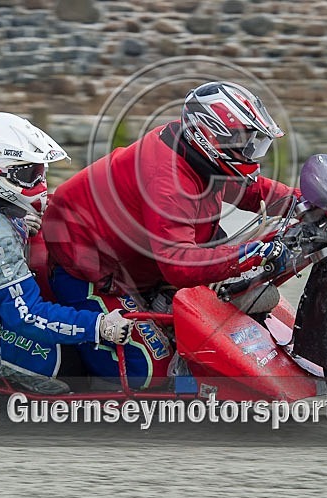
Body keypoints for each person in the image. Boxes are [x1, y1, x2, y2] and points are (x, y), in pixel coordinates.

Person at [41, 81, 300, 384]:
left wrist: (305, 201)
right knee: (150, 373)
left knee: (241, 297)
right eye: (244, 141)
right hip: (88, 270)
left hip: (140, 259)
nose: (251, 151)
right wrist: (250, 254)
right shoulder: (167, 180)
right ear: (210, 136)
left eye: (254, 141)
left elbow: (251, 191)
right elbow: (178, 265)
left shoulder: (200, 154)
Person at [0, 112, 134, 394]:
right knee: (71, 372)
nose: (39, 183)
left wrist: (15, 222)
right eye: (28, 175)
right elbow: (28, 316)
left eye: (40, 171)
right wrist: (98, 326)